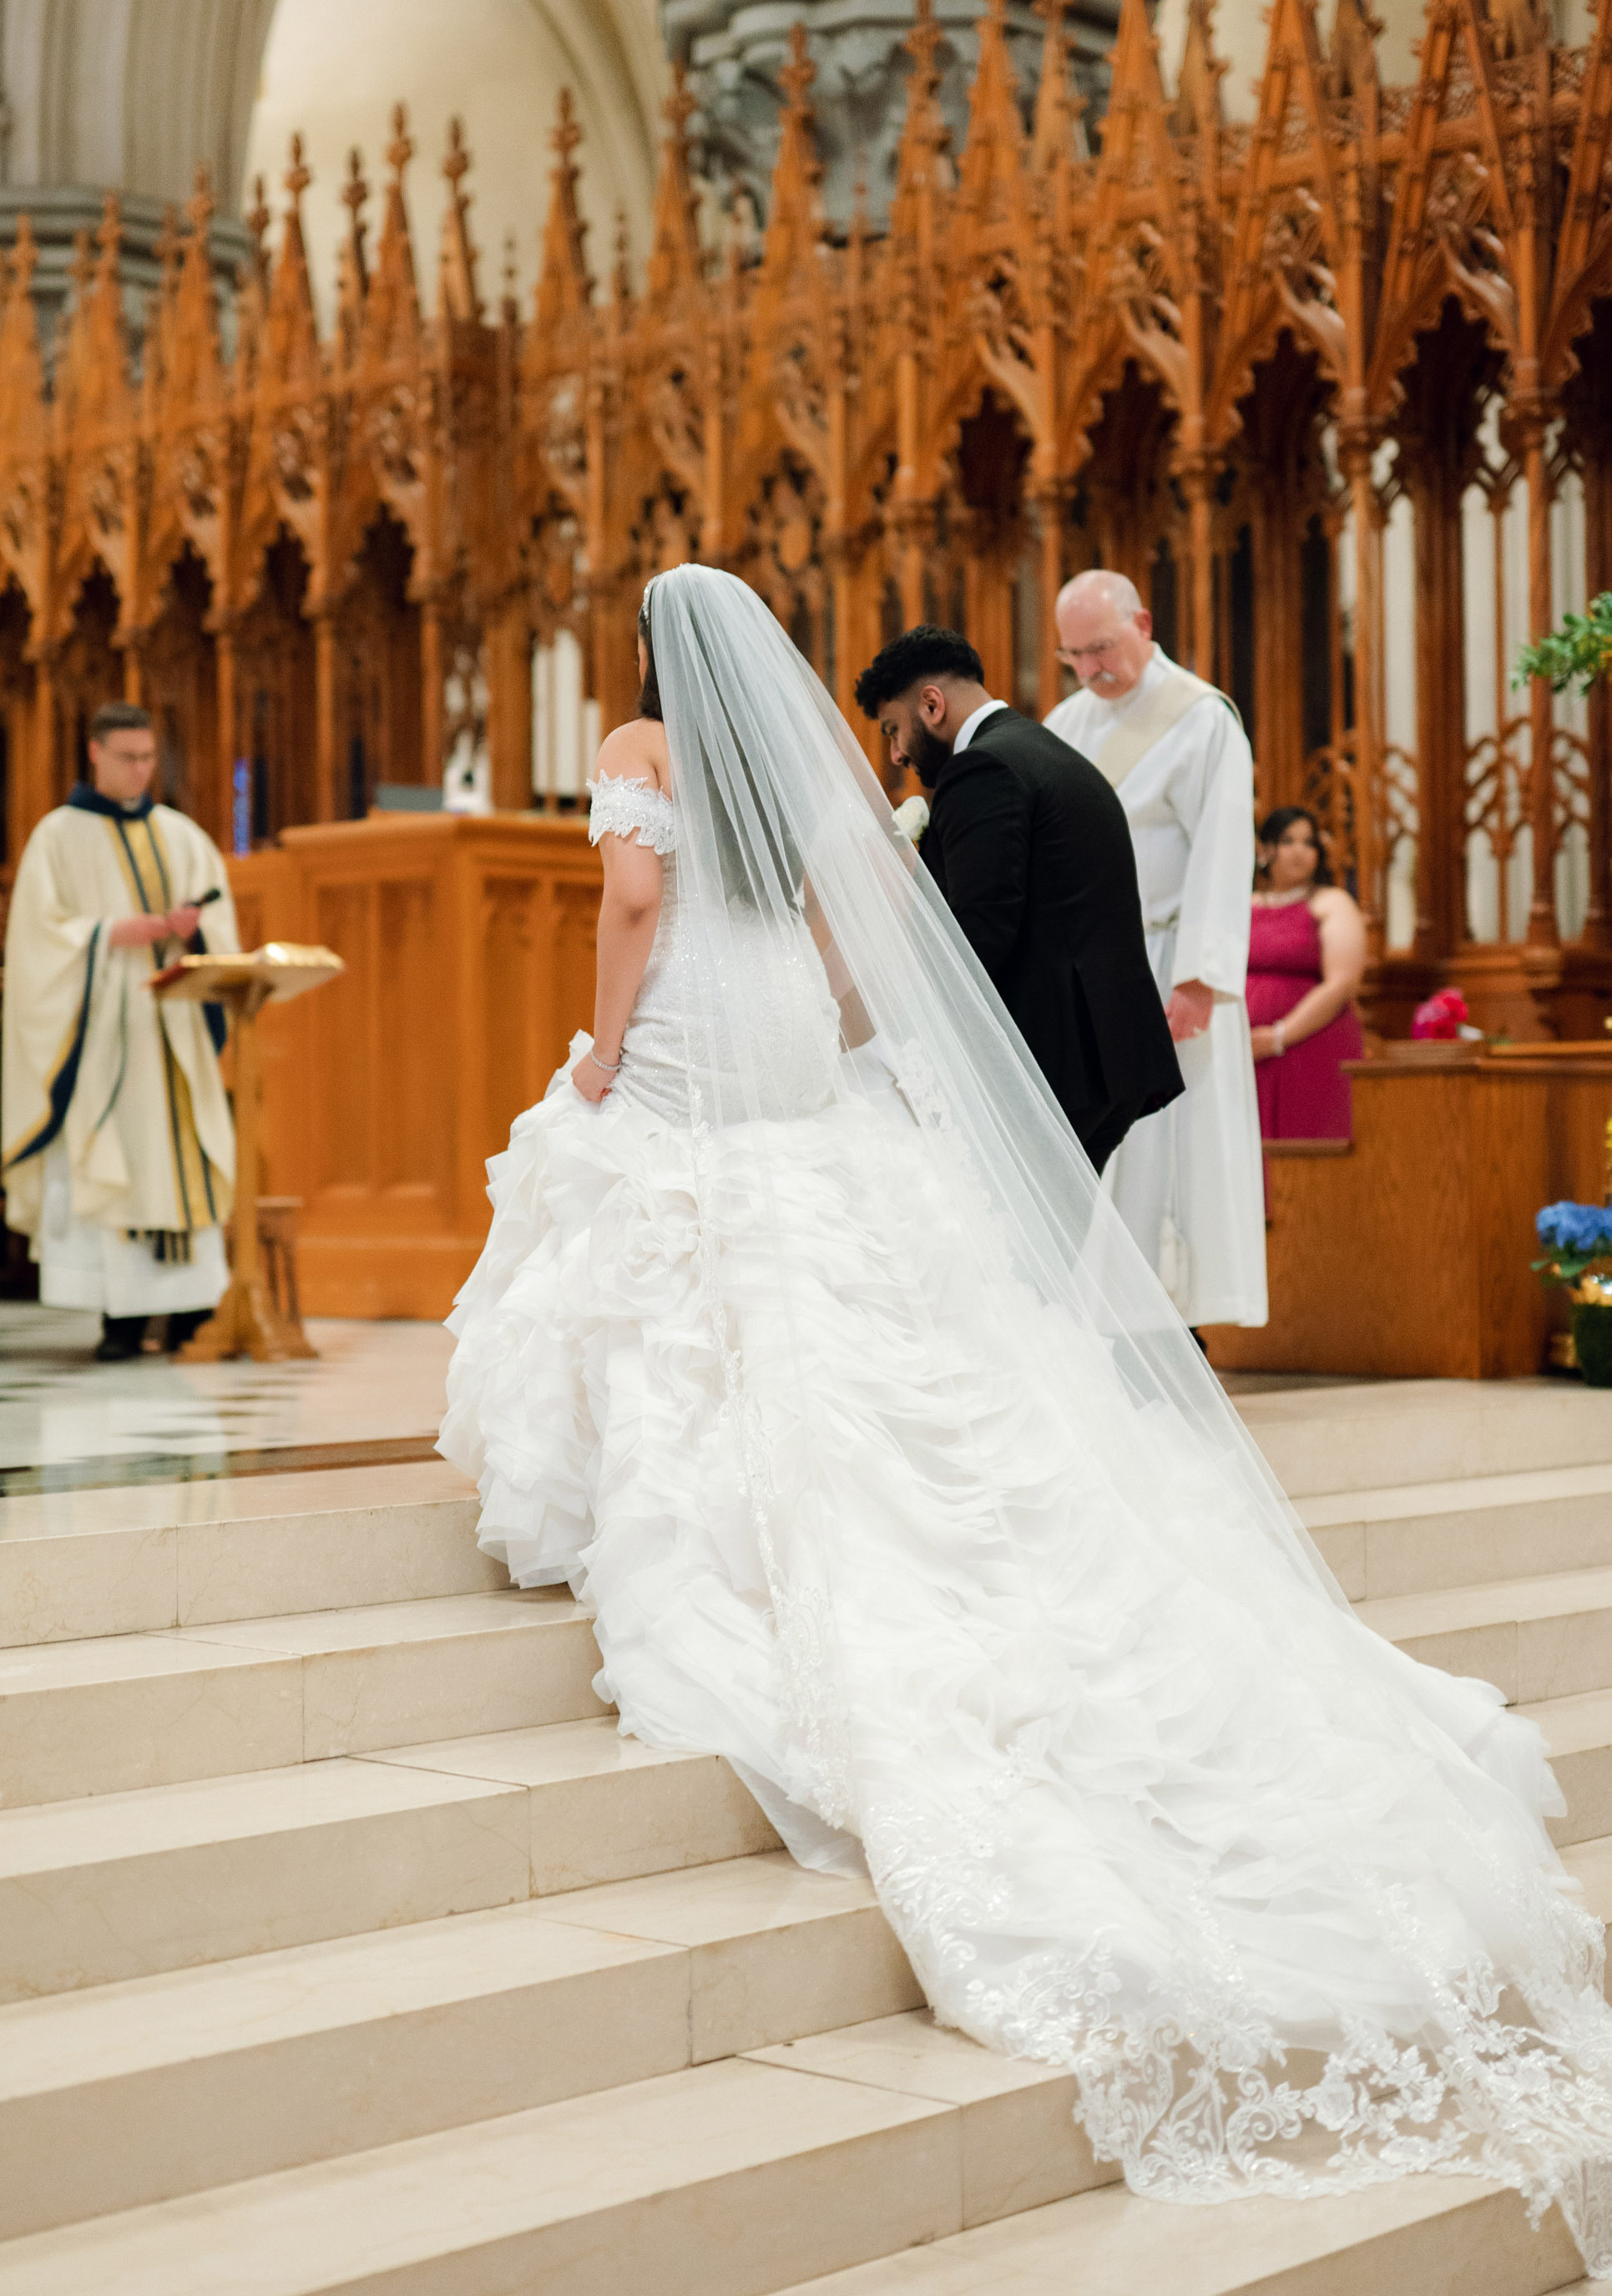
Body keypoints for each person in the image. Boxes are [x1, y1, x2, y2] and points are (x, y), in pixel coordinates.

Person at [441, 564, 1612, 2278]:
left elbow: (630, 909)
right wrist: (819, 1050)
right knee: (899, 1331)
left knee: (642, 1223)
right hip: (781, 1050)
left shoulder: (647, 751)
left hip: (691, 1039)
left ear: (649, 664)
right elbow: (850, 953)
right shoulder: (800, 776)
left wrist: (613, 1054)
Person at [853, 625, 1180, 1172]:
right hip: (1111, 1057)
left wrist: (903, 1032)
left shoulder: (981, 770)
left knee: (1009, 1252)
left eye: (894, 729)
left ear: (931, 704)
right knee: (1057, 1251)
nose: (895, 753)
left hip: (1053, 1062)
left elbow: (979, 933)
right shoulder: (1047, 752)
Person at [1045, 569, 1266, 1326]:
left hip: (1174, 965)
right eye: (1074, 655)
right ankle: (1107, 1317)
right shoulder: (1068, 724)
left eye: (1102, 648)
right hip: (1098, 968)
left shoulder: (1203, 720)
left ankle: (1182, 1321)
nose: (1091, 669)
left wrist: (1201, 976)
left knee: (1181, 1146)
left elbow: (1221, 847)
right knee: (1112, 1148)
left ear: (1142, 622)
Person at [1, 700, 238, 1360]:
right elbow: (36, 941)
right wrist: (109, 934)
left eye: (148, 758)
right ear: (95, 755)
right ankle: (122, 1320)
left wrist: (195, 930)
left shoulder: (182, 834)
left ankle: (191, 1313)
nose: (141, 771)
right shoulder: (57, 836)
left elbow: (219, 918)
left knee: (182, 1157)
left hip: (176, 1033)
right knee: (119, 1161)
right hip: (107, 1036)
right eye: (128, 758)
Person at [1248, 806, 1367, 1140]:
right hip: (1246, 1049)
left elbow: (1342, 981)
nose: (1300, 851)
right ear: (1265, 849)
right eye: (1288, 841)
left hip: (1310, 1045)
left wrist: (1280, 1035)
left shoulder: (1332, 902)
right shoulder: (1244, 905)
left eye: (1309, 842)